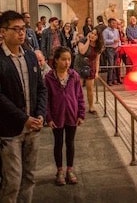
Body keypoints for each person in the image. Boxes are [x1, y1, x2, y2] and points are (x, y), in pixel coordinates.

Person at [0, 10, 47, 203]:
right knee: (12, 180)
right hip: (10, 130)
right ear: (3, 32)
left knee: (30, 177)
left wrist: (41, 114)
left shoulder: (30, 56)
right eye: (16, 29)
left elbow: (41, 88)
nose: (21, 33)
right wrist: (24, 119)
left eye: (23, 29)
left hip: (33, 127)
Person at [44, 46, 85, 186]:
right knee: (58, 143)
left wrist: (81, 114)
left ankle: (70, 169)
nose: (67, 62)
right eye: (63, 59)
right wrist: (48, 117)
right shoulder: (49, 78)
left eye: (69, 59)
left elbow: (79, 96)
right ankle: (59, 170)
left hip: (72, 115)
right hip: (57, 116)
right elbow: (46, 100)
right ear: (56, 60)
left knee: (70, 143)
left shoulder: (74, 76)